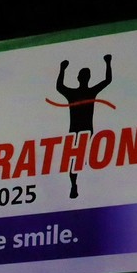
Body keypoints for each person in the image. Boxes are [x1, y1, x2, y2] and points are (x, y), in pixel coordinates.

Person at [53, 53, 114, 197]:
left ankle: (82, 184)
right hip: (76, 131)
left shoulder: (90, 92)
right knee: (74, 161)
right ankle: (73, 185)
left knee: (81, 160)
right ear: (80, 78)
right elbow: (59, 86)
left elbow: (107, 80)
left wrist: (108, 63)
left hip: (85, 131)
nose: (85, 77)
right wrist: (62, 69)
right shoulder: (75, 93)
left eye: (86, 75)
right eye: (84, 75)